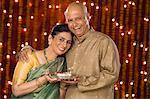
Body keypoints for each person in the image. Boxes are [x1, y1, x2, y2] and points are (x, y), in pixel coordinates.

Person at [18, 2, 121, 99]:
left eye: (78, 19)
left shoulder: (104, 42)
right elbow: (51, 53)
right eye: (70, 20)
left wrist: (82, 81)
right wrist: (28, 50)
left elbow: (112, 74)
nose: (75, 24)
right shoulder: (69, 43)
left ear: (88, 17)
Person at [11, 24, 73, 99]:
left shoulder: (61, 64)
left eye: (68, 42)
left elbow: (60, 95)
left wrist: (63, 86)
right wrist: (44, 79)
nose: (64, 45)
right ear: (50, 38)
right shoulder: (29, 56)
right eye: (61, 39)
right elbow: (16, 91)